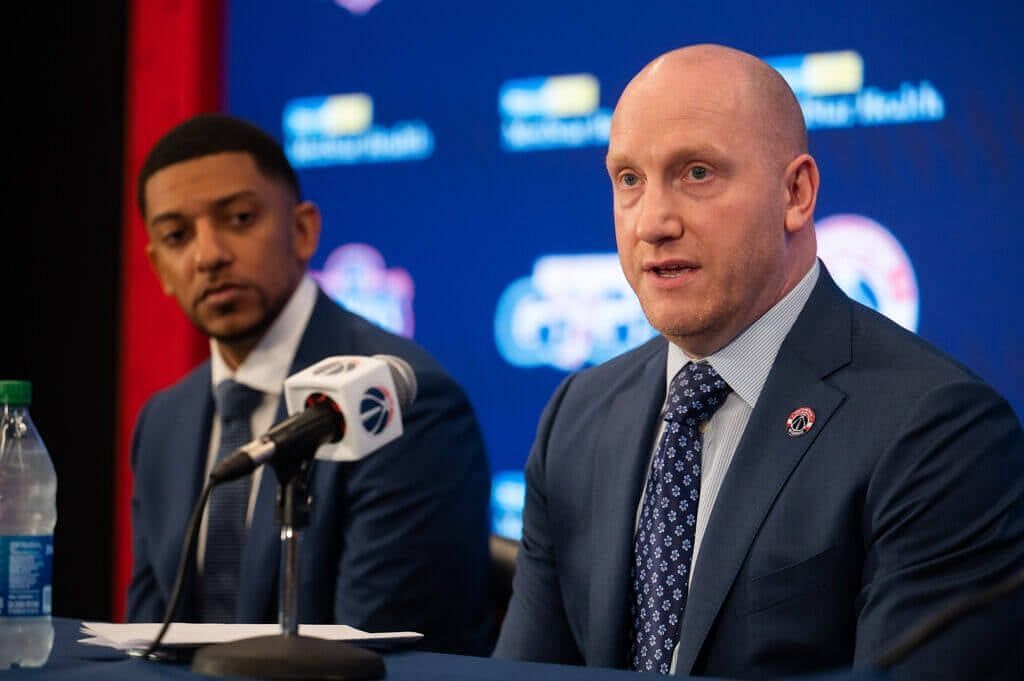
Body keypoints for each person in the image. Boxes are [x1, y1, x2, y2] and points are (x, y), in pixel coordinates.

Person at [493, 45, 1024, 679]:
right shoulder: (577, 418)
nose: (652, 223)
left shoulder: (937, 430)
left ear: (796, 193)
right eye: (629, 180)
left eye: (696, 173)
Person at [126, 113, 493, 655]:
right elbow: (148, 639)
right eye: (178, 236)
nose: (208, 256)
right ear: (159, 266)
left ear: (302, 230)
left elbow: (378, 655)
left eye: (240, 218)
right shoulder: (164, 421)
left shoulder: (395, 403)